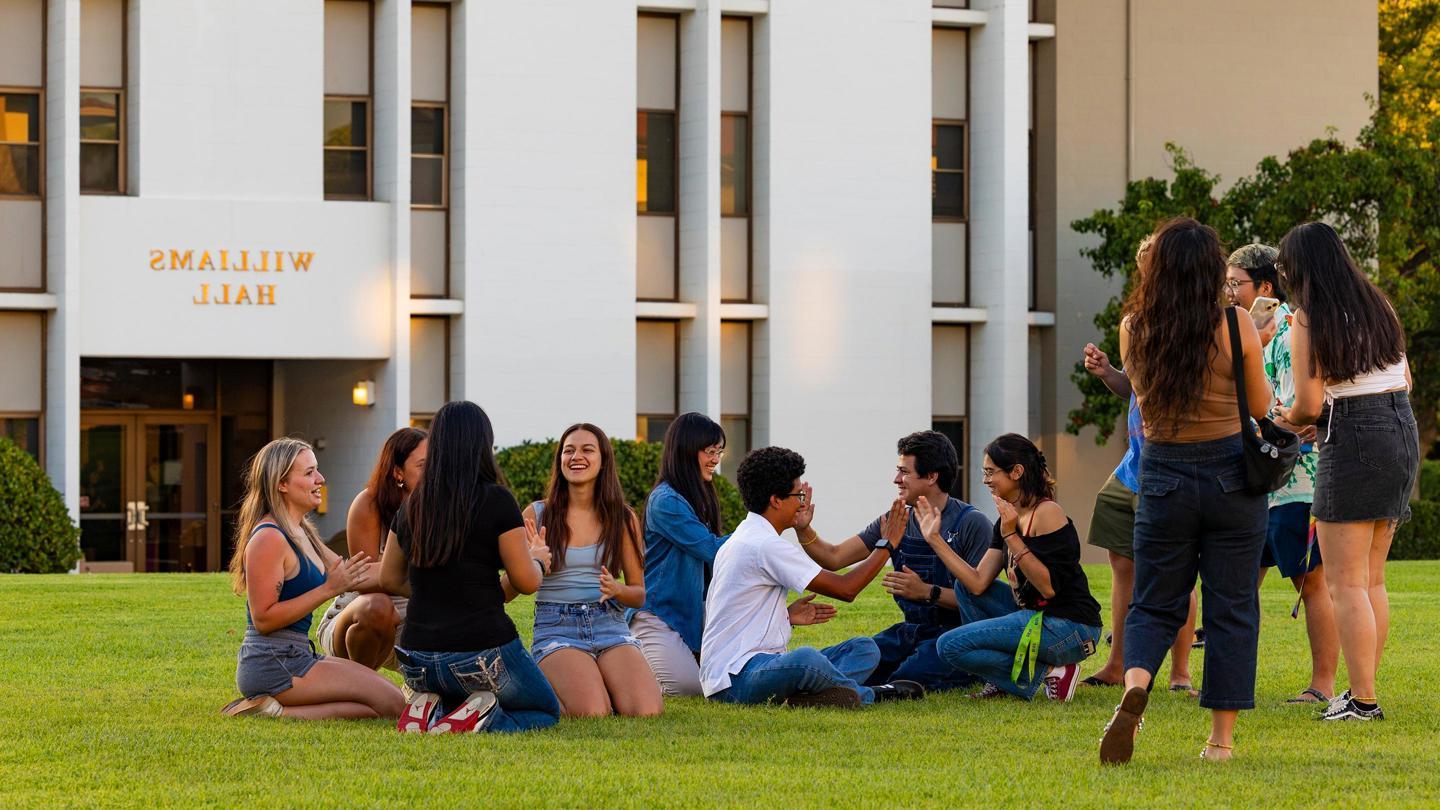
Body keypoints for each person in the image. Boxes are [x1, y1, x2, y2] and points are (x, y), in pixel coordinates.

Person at [1098, 217, 1271, 764]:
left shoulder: (1134, 327)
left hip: (1163, 472)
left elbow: (1142, 400)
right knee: (1232, 606)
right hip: (1230, 476)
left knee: (1153, 601)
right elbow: (1263, 408)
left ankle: (1136, 685)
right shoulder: (1236, 324)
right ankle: (1219, 742)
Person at [1277, 222, 1417, 722]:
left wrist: (1287, 418)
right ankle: (1364, 691)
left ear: (1298, 268)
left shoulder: (1308, 317)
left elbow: (1309, 402)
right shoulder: (1380, 304)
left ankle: (1363, 700)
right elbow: (1402, 377)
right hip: (1400, 425)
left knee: (1344, 582)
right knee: (1371, 578)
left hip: (1354, 436)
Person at [379, 401, 561, 734]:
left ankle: (431, 708)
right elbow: (525, 581)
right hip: (479, 652)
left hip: (418, 657)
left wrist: (437, 590)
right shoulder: (497, 500)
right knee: (545, 710)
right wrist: (538, 559)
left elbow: (388, 577)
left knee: (460, 691)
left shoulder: (412, 506)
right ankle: (477, 720)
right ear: (483, 445)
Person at [701, 446, 926, 707]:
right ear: (776, 500)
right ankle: (873, 695)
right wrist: (887, 544)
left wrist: (784, 616)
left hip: (756, 667)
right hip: (735, 679)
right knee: (806, 659)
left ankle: (809, 697)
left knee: (864, 649)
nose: (802, 502)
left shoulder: (747, 534)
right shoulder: (764, 545)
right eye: (798, 495)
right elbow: (846, 589)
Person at [793, 430, 999, 692]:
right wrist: (803, 530)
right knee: (863, 660)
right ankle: (804, 685)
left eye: (904, 472)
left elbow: (980, 600)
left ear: (932, 476)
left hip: (955, 636)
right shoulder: (896, 518)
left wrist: (926, 592)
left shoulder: (972, 523)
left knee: (904, 677)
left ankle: (969, 672)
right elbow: (835, 557)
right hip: (910, 631)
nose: (896, 479)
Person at [1224, 242, 1338, 704]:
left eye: (1237, 283)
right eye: (1226, 283)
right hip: (1257, 481)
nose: (1228, 292)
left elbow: (1301, 417)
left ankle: (1322, 686)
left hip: (1296, 481)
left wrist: (1266, 420)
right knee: (1237, 585)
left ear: (1266, 288)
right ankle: (1230, 684)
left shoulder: (1293, 333)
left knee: (1310, 583)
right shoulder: (1244, 334)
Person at [223, 438, 404, 720]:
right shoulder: (269, 537)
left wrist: (423, 575)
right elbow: (264, 619)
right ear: (282, 484)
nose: (320, 479)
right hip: (273, 663)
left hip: (298, 657)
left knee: (393, 703)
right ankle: (277, 711)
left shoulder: (300, 529)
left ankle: (273, 708)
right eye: (309, 473)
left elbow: (352, 572)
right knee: (393, 706)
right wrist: (328, 589)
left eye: (316, 470)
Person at [924, 434, 1103, 702]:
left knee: (949, 646)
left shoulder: (1047, 513)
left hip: (1071, 627)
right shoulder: (1006, 521)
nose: (985, 480)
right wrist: (936, 540)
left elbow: (1048, 587)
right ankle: (1008, 681)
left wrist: (1012, 537)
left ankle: (1050, 671)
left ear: (1016, 472)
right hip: (1035, 618)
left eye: (990, 472)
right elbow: (976, 583)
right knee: (965, 589)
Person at [520, 423, 663, 718]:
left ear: (603, 460)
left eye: (587, 450)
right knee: (592, 712)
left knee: (646, 710)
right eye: (568, 450)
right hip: (557, 625)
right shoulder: (537, 515)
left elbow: (638, 595)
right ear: (560, 461)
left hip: (608, 622)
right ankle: (561, 682)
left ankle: (599, 680)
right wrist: (535, 563)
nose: (576, 456)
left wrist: (617, 589)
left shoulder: (622, 518)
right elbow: (519, 585)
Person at [1081, 345, 1200, 694]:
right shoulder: (1140, 326)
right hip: (1131, 468)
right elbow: (1133, 387)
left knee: (1179, 571)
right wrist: (1108, 373)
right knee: (1122, 563)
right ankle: (1117, 665)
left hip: (1171, 468)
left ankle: (1180, 674)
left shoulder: (1188, 327)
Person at [630, 413, 731, 696]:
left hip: (690, 614)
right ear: (686, 451)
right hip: (657, 614)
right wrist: (760, 528)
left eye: (719, 452)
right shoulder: (666, 501)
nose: (716, 459)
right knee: (687, 688)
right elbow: (712, 549)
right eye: (710, 451)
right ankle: (627, 657)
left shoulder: (699, 494)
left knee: (720, 680)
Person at [316, 427, 427, 671]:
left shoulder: (440, 508)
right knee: (378, 606)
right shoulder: (368, 504)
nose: (432, 473)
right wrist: (430, 575)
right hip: (359, 618)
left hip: (414, 618)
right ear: (398, 472)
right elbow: (363, 579)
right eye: (422, 466)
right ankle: (360, 687)